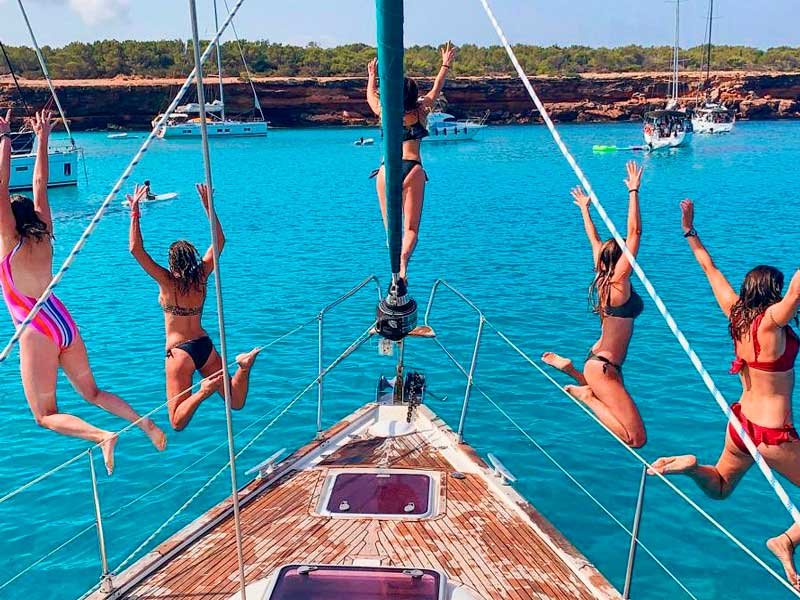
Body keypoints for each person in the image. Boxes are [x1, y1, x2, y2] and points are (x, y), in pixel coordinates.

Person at [0, 109, 166, 475]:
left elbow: (0, 187)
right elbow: (40, 183)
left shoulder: (9, 241)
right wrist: (40, 137)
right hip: (62, 320)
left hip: (36, 327)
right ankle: (146, 425)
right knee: (92, 392)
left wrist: (5, 139)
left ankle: (102, 436)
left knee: (45, 415)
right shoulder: (44, 232)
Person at [649, 199, 800, 589]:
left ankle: (688, 467)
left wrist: (689, 229)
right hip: (771, 435)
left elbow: (709, 268)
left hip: (740, 425)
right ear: (772, 292)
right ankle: (784, 540)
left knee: (718, 487)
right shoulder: (771, 324)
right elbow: (796, 293)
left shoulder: (735, 313)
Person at [128, 182, 259, 431]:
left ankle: (203, 391)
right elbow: (219, 241)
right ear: (193, 258)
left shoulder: (166, 281)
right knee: (236, 401)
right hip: (203, 345)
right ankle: (244, 366)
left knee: (176, 421)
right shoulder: (202, 276)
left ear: (171, 262)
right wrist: (208, 206)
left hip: (179, 353)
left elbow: (136, 249)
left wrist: (135, 212)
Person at [541, 161, 647, 448]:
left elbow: (594, 240)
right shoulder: (618, 283)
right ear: (621, 260)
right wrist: (633, 191)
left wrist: (585, 209)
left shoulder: (603, 278)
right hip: (604, 366)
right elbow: (635, 233)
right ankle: (586, 394)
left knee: (617, 411)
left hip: (600, 362)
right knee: (635, 439)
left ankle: (574, 373)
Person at [366, 41, 456, 284]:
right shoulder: (421, 111)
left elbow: (370, 98)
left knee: (391, 230)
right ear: (413, 95)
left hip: (386, 171)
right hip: (412, 169)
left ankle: (393, 270)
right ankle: (403, 267)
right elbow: (437, 88)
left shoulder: (385, 112)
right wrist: (445, 64)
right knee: (411, 229)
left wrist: (372, 76)